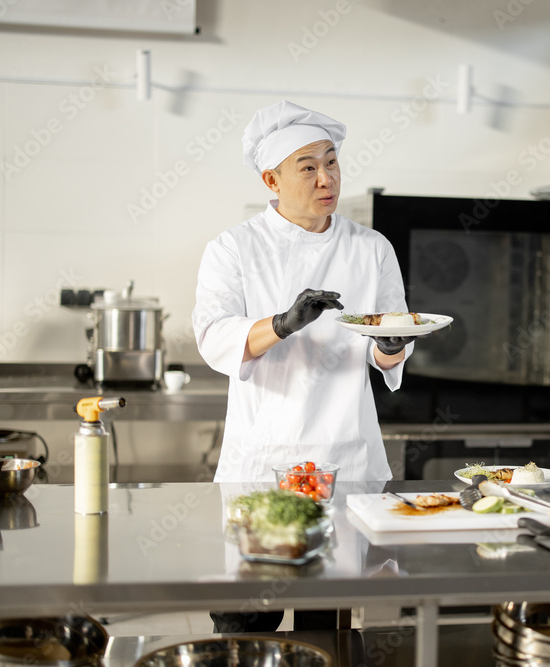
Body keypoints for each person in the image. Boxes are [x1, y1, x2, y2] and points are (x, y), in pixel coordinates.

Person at [192, 100, 419, 633]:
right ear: (271, 179)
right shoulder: (233, 248)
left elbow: (384, 350)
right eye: (309, 167)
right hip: (261, 466)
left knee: (328, 626)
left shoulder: (371, 248)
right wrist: (282, 323)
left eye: (332, 162)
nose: (327, 179)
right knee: (247, 622)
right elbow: (212, 336)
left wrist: (393, 344)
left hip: (345, 458)